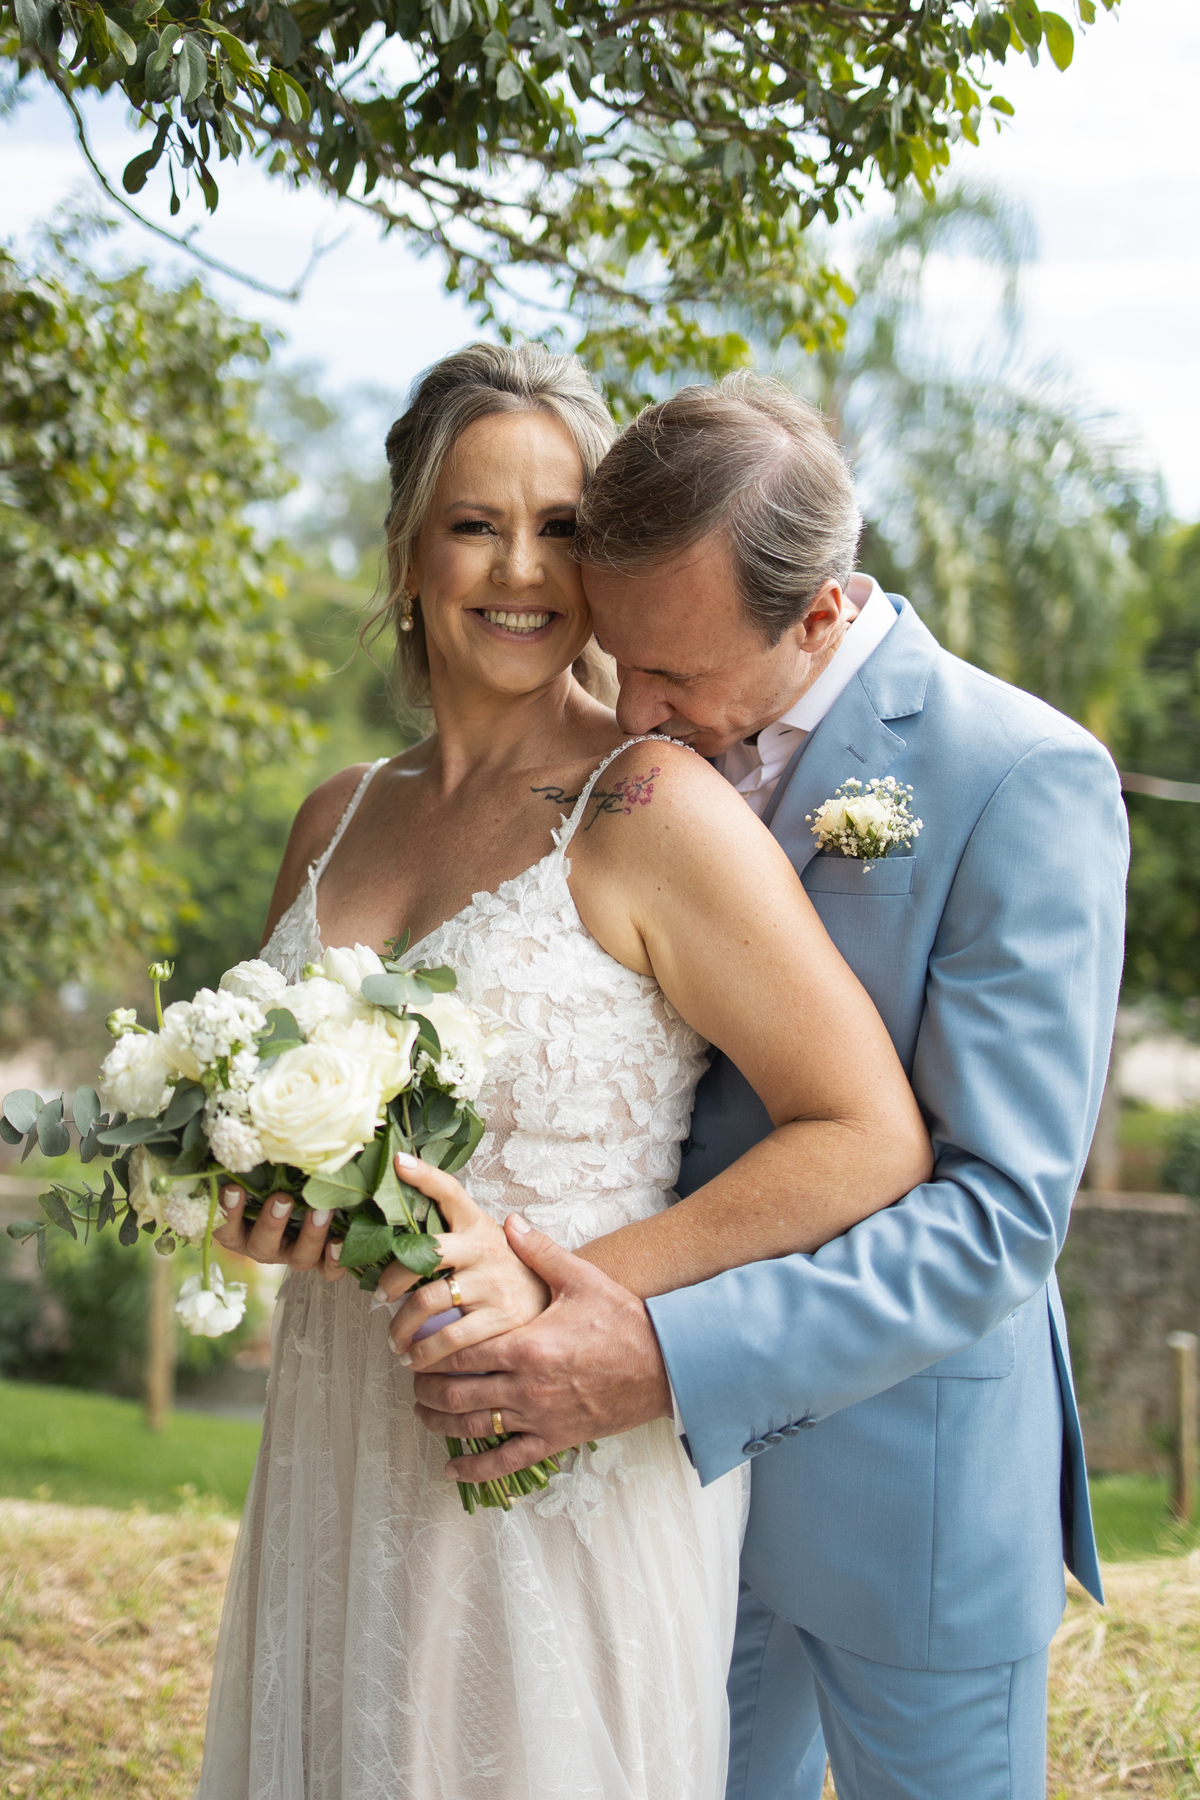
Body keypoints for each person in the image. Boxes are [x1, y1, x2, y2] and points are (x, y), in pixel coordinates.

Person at [199, 344, 931, 1800]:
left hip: (557, 1453)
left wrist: (576, 1291)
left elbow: (866, 1133)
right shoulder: (335, 816)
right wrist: (256, 1200)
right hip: (341, 1431)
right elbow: (275, 1129)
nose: (522, 568)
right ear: (409, 549)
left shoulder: (652, 807)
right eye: (475, 524)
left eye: (561, 528)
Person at [414, 376, 1130, 1800]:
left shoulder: (1020, 778)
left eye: (676, 675)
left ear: (819, 613)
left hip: (903, 1500)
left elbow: (997, 1216)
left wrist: (669, 1356)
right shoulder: (638, 770)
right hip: (666, 1505)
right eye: (620, 660)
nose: (637, 710)